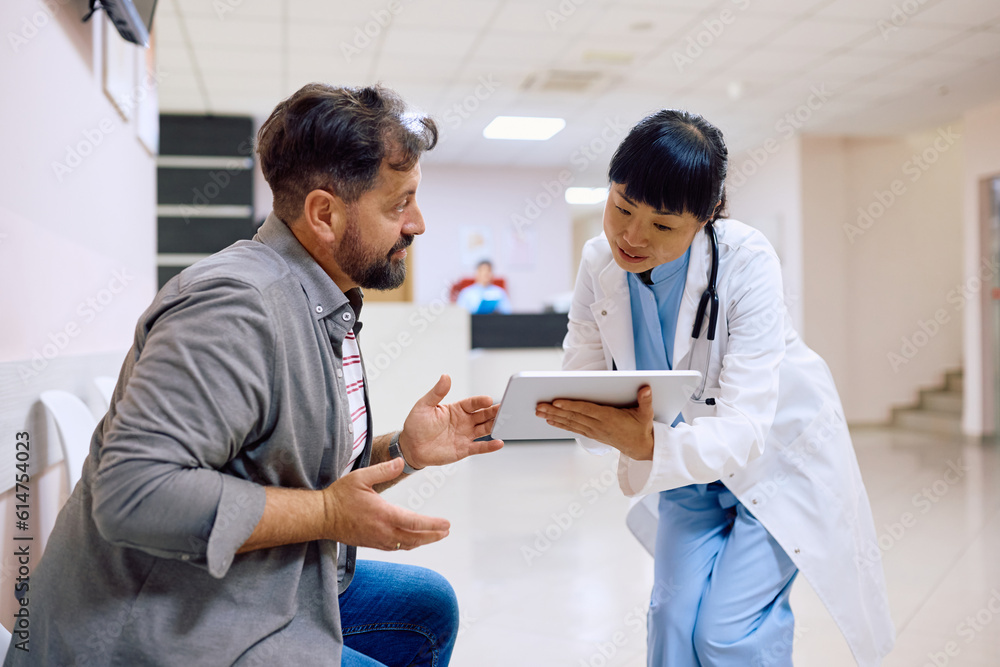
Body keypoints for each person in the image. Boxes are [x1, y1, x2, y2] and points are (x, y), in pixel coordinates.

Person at [7, 84, 504, 667]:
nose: (417, 224)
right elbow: (133, 494)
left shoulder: (322, 298)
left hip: (241, 582)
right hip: (148, 628)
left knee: (426, 605)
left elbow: (297, 474)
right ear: (324, 213)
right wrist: (326, 516)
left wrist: (405, 452)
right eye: (399, 204)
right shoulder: (235, 306)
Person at [536, 110, 894, 666]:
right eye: (622, 208)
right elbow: (583, 380)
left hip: (775, 462)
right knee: (672, 621)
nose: (631, 236)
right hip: (686, 470)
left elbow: (748, 428)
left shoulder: (746, 262)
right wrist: (559, 412)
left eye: (662, 226)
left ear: (703, 219)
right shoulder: (598, 263)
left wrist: (644, 444)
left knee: (727, 634)